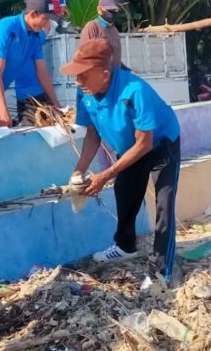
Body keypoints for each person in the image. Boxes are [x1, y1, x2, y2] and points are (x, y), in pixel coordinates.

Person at [64, 39, 182, 280]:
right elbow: (93, 134)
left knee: (164, 204)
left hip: (160, 144)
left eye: (83, 76)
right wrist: (79, 170)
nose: (78, 81)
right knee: (125, 193)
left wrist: (105, 175)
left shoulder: (135, 91)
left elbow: (145, 144)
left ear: (105, 75)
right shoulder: (85, 92)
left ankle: (162, 270)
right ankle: (125, 246)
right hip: (130, 147)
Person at [0, 0, 61, 127]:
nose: (46, 23)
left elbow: (42, 72)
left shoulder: (36, 36)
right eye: (45, 18)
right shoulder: (6, 29)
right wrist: (3, 111)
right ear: (32, 14)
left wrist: (56, 104)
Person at [79, 0, 127, 69]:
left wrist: (127, 72)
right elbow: (85, 57)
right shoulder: (92, 27)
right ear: (99, 10)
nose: (113, 13)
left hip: (114, 77)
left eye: (115, 10)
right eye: (109, 10)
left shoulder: (114, 30)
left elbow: (115, 59)